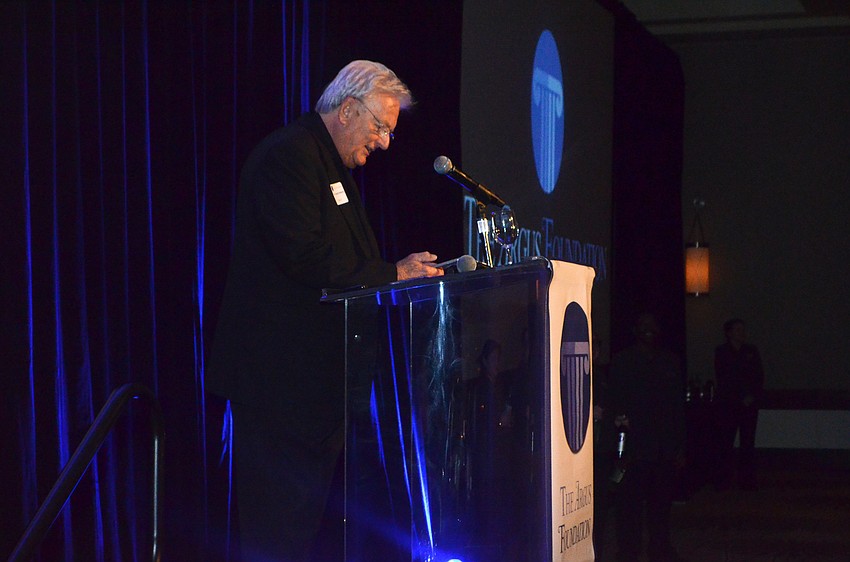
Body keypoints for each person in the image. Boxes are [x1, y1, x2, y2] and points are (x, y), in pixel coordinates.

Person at [206, 60, 444, 562]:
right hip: (279, 394)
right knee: (275, 539)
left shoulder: (330, 166)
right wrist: (391, 274)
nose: (382, 142)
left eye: (388, 133)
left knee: (298, 538)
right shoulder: (290, 157)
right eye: (380, 127)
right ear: (347, 111)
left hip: (314, 399)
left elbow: (345, 263)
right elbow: (304, 256)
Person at [608, 313, 686, 562]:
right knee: (629, 506)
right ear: (635, 330)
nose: (649, 330)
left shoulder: (671, 362)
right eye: (644, 326)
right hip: (634, 449)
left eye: (653, 325)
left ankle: (660, 548)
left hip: (663, 449)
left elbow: (678, 409)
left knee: (661, 506)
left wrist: (680, 446)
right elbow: (614, 403)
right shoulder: (622, 361)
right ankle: (629, 551)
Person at [714, 318, 764, 490]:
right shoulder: (721, 352)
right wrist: (740, 395)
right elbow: (725, 378)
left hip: (749, 405)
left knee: (748, 443)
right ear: (729, 333)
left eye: (743, 329)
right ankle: (723, 481)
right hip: (728, 404)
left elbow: (758, 376)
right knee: (725, 443)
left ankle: (747, 481)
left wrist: (751, 396)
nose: (741, 333)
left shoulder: (751, 350)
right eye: (737, 330)